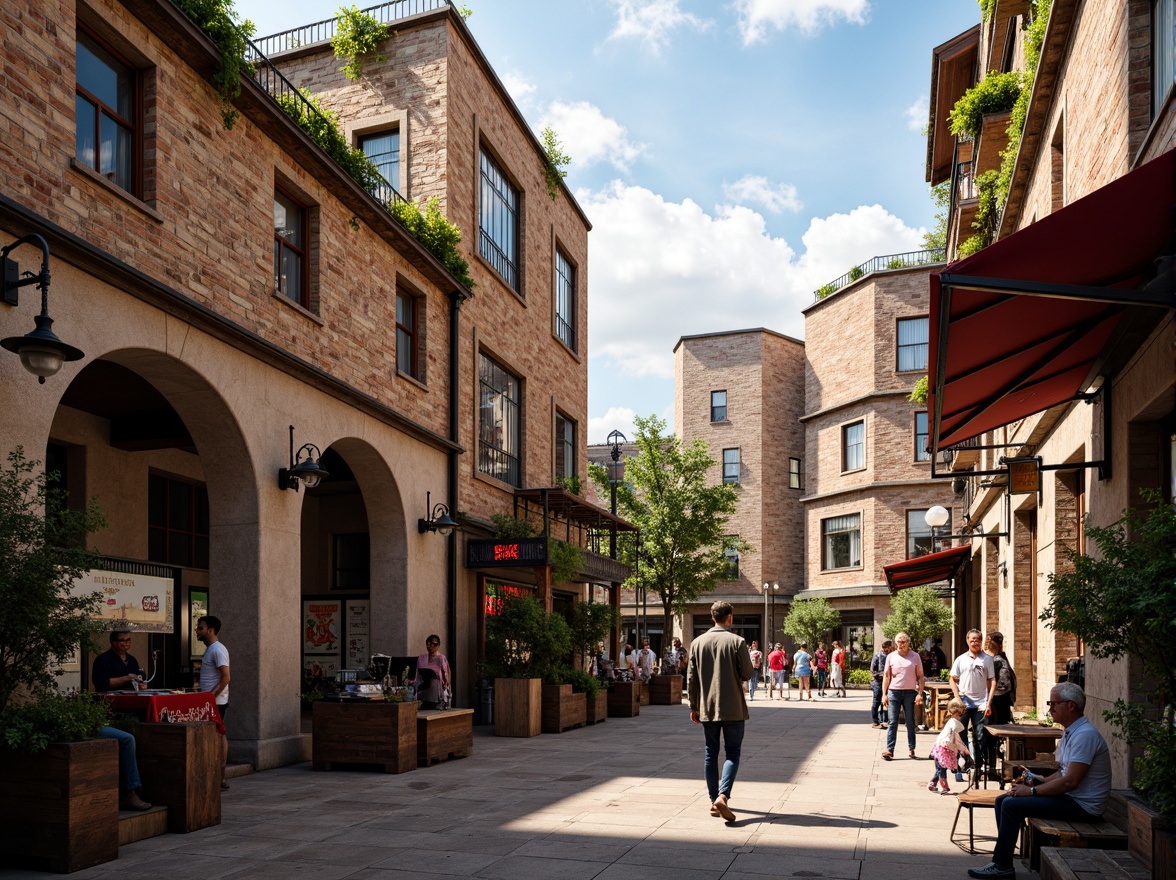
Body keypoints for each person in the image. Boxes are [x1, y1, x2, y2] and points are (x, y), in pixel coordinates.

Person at [967, 683, 1112, 879]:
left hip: (1084, 806)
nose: (1049, 709)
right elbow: (1062, 772)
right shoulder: (1071, 732)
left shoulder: (1085, 735)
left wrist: (1032, 792)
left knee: (1011, 805)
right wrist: (1037, 781)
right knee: (1003, 799)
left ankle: (1002, 865)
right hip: (1071, 798)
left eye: (1054, 704)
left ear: (1071, 706)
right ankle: (1002, 859)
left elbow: (1070, 782)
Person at [687, 601, 753, 823]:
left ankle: (713, 800)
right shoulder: (737, 641)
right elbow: (748, 673)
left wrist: (693, 706)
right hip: (733, 706)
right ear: (730, 618)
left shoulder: (697, 642)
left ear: (712, 617)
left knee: (710, 752)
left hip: (707, 706)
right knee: (732, 752)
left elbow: (691, 678)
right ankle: (723, 796)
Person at [951, 629, 997, 776]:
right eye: (972, 639)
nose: (974, 642)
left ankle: (978, 764)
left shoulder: (987, 660)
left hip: (981, 703)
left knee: (980, 735)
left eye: (977, 639)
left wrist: (989, 703)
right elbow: (952, 678)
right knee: (960, 734)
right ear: (967, 640)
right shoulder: (961, 659)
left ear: (981, 641)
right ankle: (964, 761)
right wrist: (957, 698)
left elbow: (992, 681)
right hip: (964, 702)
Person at [196, 615, 231, 791]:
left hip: (216, 702)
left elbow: (226, 677)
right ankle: (219, 777)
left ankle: (220, 776)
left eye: (200, 628)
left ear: (210, 630)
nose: (197, 631)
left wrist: (211, 695)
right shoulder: (211, 650)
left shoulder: (218, 650)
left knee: (218, 735)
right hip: (211, 701)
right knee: (218, 735)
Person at [881, 632, 925, 760]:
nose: (901, 644)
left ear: (908, 642)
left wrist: (920, 694)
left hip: (910, 693)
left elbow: (920, 676)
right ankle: (890, 750)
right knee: (892, 721)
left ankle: (912, 748)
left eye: (903, 641)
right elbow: (887, 676)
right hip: (894, 692)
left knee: (910, 722)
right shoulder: (891, 656)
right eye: (899, 642)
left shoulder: (915, 656)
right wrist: (884, 694)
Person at [928, 698, 970, 794]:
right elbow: (955, 738)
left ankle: (933, 783)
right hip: (944, 749)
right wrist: (963, 749)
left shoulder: (950, 722)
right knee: (941, 769)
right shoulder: (953, 724)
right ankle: (944, 787)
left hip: (941, 748)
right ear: (955, 713)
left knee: (940, 768)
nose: (961, 716)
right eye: (960, 714)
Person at [415, 633, 452, 708]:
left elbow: (446, 674)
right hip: (423, 690)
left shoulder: (441, 658)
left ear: (438, 646)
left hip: (437, 690)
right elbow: (417, 674)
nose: (430, 646)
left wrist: (446, 689)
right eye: (428, 644)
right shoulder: (422, 658)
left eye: (433, 644)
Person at [869, 639, 893, 727]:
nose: (888, 649)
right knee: (877, 701)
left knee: (889, 701)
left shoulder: (891, 656)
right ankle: (875, 721)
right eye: (887, 648)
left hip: (889, 682)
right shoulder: (877, 656)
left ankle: (886, 719)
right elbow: (872, 670)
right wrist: (881, 674)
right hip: (878, 682)